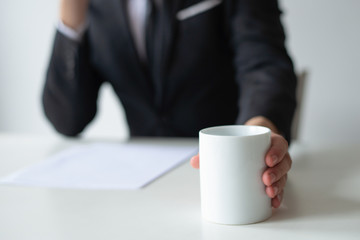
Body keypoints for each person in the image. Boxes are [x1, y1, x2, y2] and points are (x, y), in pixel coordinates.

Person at [42, 0, 296, 209]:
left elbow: (264, 66)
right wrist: (71, 23)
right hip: (137, 191)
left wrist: (258, 131)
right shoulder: (96, 7)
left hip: (231, 178)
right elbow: (67, 120)